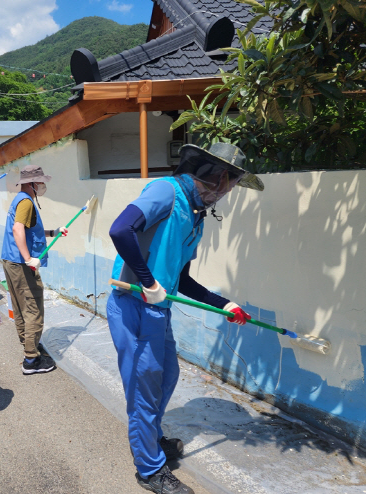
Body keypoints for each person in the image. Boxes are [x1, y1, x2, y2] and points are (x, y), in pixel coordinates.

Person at [107, 143, 265, 494]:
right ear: (213, 175)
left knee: (167, 376)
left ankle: (149, 438)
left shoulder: (195, 214)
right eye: (228, 184)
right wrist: (148, 282)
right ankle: (149, 470)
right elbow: (121, 230)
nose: (226, 193)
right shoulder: (166, 190)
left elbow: (183, 279)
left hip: (157, 310)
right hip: (133, 304)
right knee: (144, 390)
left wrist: (224, 304)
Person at [0, 165, 68, 375]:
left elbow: (31, 231)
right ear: (31, 183)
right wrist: (29, 258)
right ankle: (31, 360)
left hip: (11, 260)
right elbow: (17, 228)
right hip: (20, 264)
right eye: (40, 182)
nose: (42, 185)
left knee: (21, 307)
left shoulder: (20, 199)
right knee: (33, 308)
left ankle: (30, 345)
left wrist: (53, 232)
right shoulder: (26, 203)